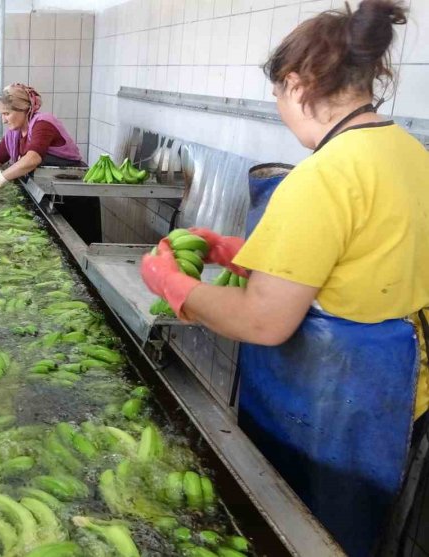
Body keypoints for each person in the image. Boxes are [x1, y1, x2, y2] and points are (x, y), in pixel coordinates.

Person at [140, 2, 428, 555]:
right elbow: (362, 261)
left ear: (297, 84)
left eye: (277, 96)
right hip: (396, 400)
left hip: (328, 412)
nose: (281, 109)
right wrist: (247, 254)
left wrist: (172, 286)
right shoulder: (408, 152)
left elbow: (264, 320)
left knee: (300, 534)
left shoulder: (324, 175)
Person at [0, 83, 84, 201]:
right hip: (44, 191)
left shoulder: (43, 123)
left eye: (6, 114)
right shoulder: (14, 133)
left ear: (24, 110)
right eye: (2, 115)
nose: (4, 120)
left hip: (69, 192)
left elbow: (32, 159)